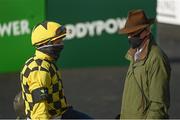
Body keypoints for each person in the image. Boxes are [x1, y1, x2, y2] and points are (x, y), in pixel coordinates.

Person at [19, 21, 92, 119]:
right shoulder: (40, 70)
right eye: (58, 41)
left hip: (61, 113)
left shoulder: (45, 63)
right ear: (46, 43)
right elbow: (39, 113)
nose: (61, 44)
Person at [118, 9, 171, 119]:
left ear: (147, 31)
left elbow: (158, 105)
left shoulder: (156, 58)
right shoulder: (134, 53)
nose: (129, 37)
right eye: (128, 33)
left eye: (134, 33)